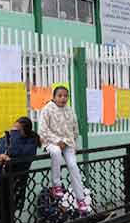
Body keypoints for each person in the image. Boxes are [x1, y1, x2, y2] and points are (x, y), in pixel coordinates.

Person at [37, 86, 91, 214]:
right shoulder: (47, 109)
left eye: (65, 96)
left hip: (67, 143)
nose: (63, 98)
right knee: (55, 152)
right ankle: (56, 185)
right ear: (54, 97)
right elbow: (42, 131)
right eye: (60, 96)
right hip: (51, 142)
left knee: (73, 166)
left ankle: (80, 199)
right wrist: (56, 141)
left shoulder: (70, 110)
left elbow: (75, 129)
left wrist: (74, 144)